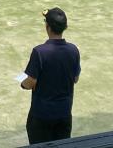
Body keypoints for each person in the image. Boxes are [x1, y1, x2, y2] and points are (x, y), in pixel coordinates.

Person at [21, 8, 81, 144]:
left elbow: (29, 83)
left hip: (41, 116)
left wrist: (21, 81)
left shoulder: (39, 52)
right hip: (64, 115)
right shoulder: (73, 50)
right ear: (64, 27)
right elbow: (75, 79)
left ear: (47, 27)